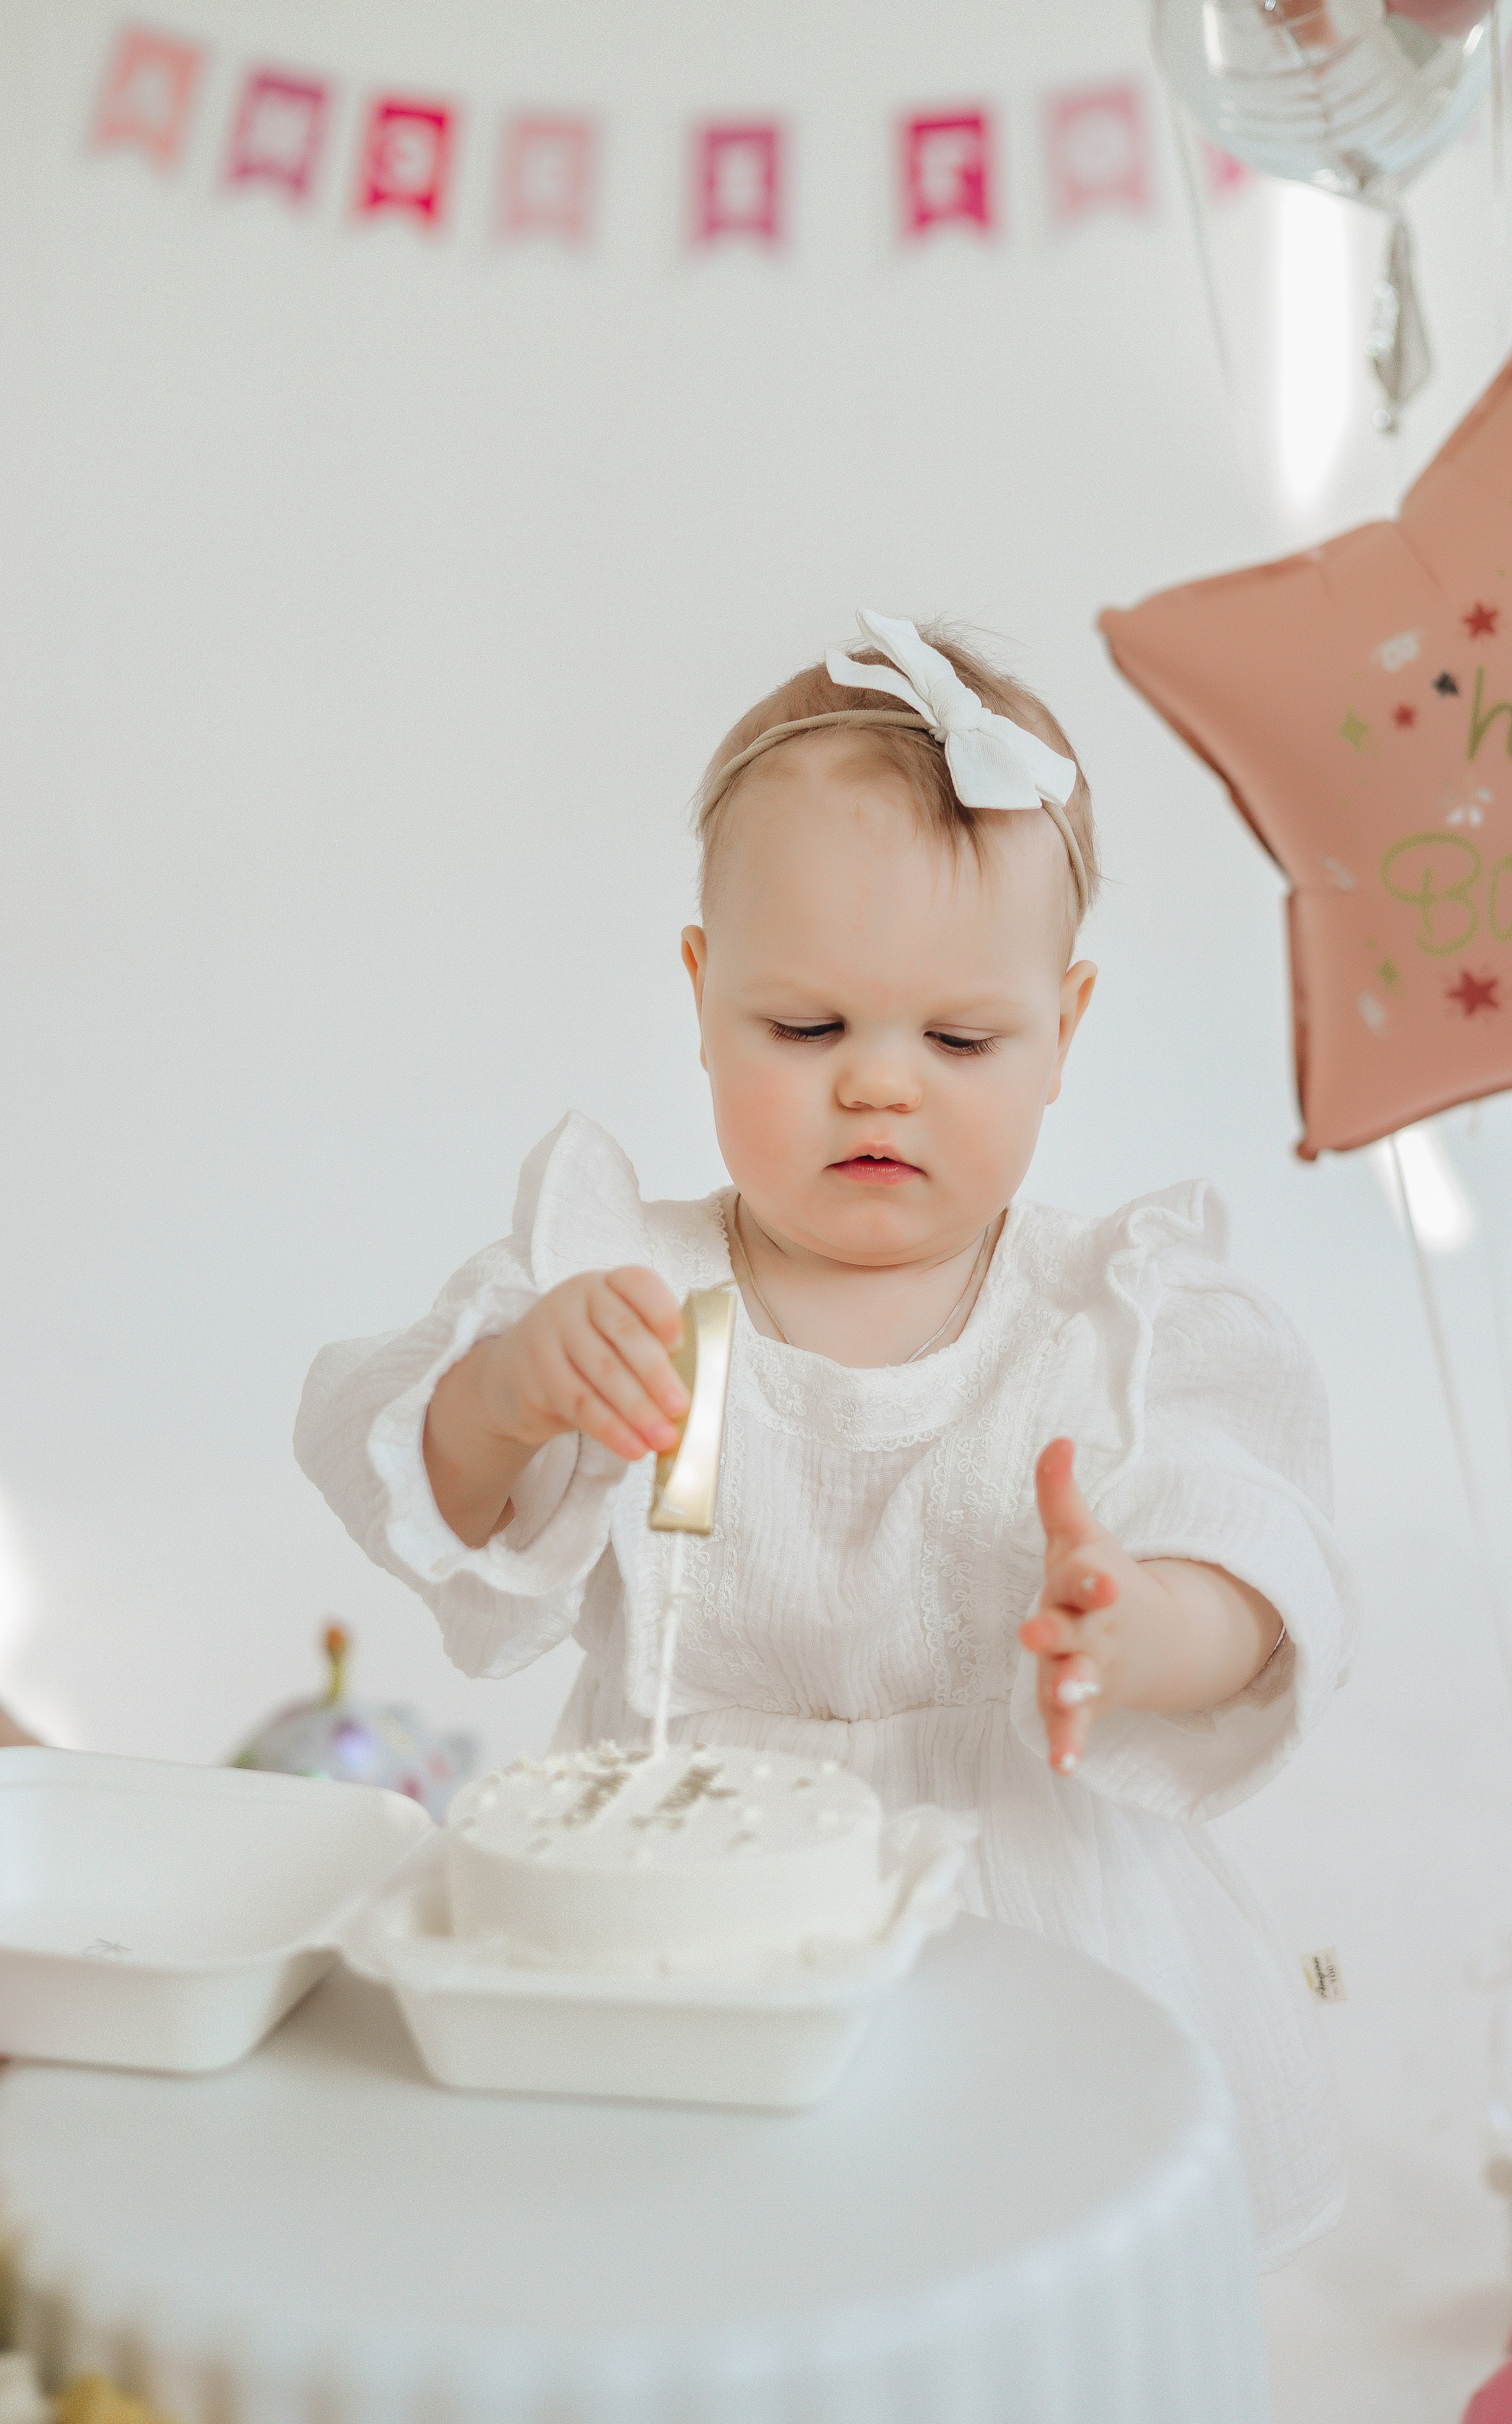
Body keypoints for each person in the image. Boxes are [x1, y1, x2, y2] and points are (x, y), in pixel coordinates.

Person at [295, 610, 1355, 2266]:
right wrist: (511, 1391)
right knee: (692, 2270)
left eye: (958, 1039)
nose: (880, 1088)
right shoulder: (636, 1289)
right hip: (680, 1900)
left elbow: (1260, 1546)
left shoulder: (1108, 1322)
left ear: (1065, 1030)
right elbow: (428, 1487)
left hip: (1027, 1901)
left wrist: (1150, 1624)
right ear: (706, 997)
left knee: (1028, 2279)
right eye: (808, 1032)